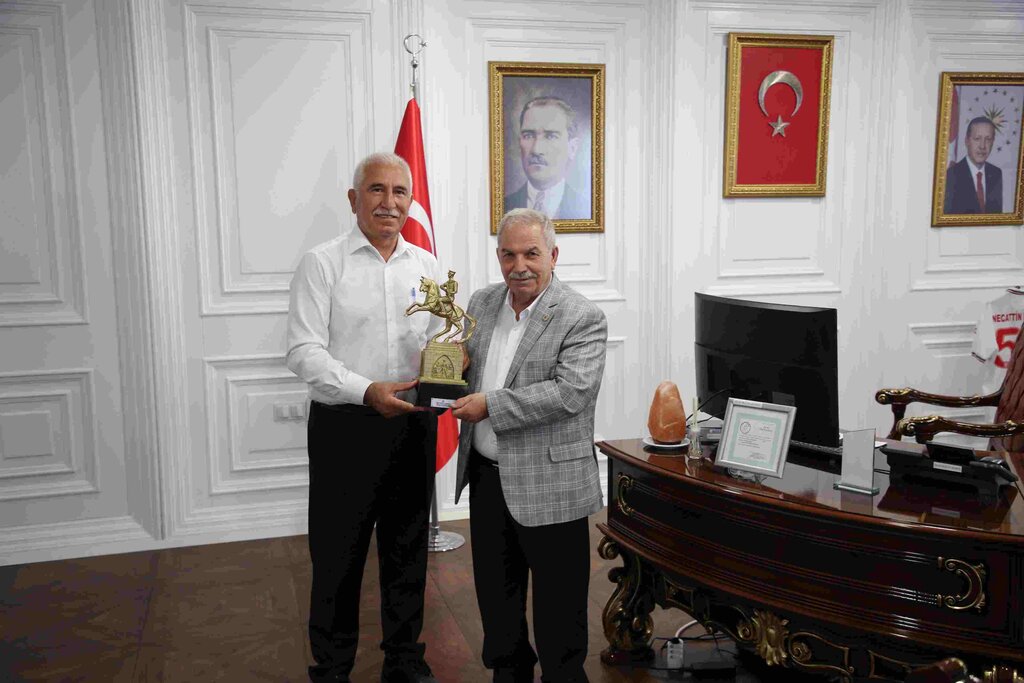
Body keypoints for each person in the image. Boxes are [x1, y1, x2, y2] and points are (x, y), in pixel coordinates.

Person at [286, 152, 441, 683]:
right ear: (354, 199)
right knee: (338, 557)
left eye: (400, 192)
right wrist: (366, 390)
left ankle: (404, 659)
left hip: (413, 426)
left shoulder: (428, 267)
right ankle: (332, 668)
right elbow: (303, 351)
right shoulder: (322, 263)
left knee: (407, 551)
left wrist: (454, 358)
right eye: (377, 190)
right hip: (345, 427)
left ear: (410, 202)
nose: (389, 202)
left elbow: (442, 341)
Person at [451, 208, 607, 682]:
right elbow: (467, 370)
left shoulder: (582, 315)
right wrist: (446, 369)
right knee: (497, 604)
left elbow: (570, 393)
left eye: (531, 254)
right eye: (508, 254)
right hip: (487, 478)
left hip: (552, 482)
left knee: (560, 614)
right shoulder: (481, 302)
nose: (519, 266)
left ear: (553, 255)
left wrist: (490, 406)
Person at [504, 97, 590, 220]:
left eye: (551, 136)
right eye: (528, 135)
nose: (536, 150)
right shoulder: (503, 208)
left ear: (572, 148)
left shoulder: (587, 209)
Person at [945, 116, 1004, 214]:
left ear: (993, 142)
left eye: (988, 139)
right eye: (977, 139)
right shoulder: (951, 175)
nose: (982, 146)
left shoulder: (996, 174)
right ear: (967, 141)